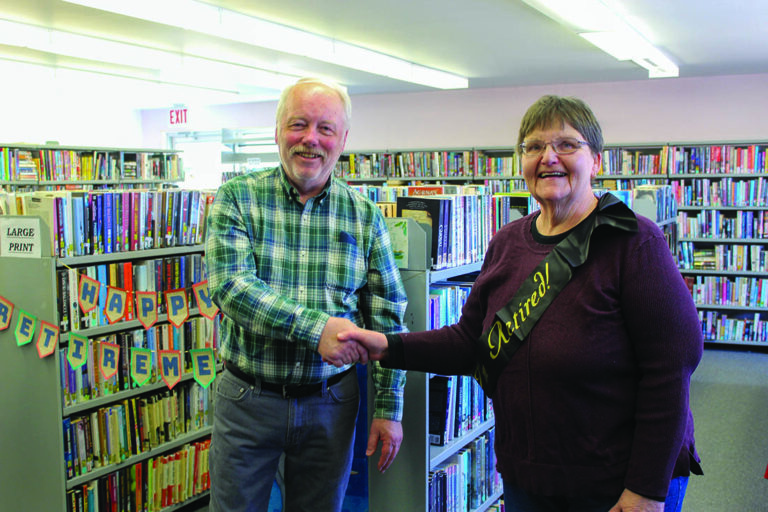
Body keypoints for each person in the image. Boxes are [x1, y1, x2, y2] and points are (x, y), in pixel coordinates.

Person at [338, 95, 703, 512]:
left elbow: (671, 371)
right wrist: (388, 346)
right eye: (533, 147)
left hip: (616, 483)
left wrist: (646, 489)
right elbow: (470, 342)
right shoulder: (508, 242)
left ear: (597, 160)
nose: (549, 157)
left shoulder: (634, 241)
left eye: (567, 144)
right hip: (527, 477)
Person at [204, 77, 408, 512]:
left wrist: (389, 406)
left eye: (325, 128)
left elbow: (388, 317)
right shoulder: (236, 198)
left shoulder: (366, 216)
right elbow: (230, 287)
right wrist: (316, 329)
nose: (310, 139)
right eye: (298, 124)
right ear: (277, 131)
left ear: (343, 139)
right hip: (247, 398)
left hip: (330, 402)